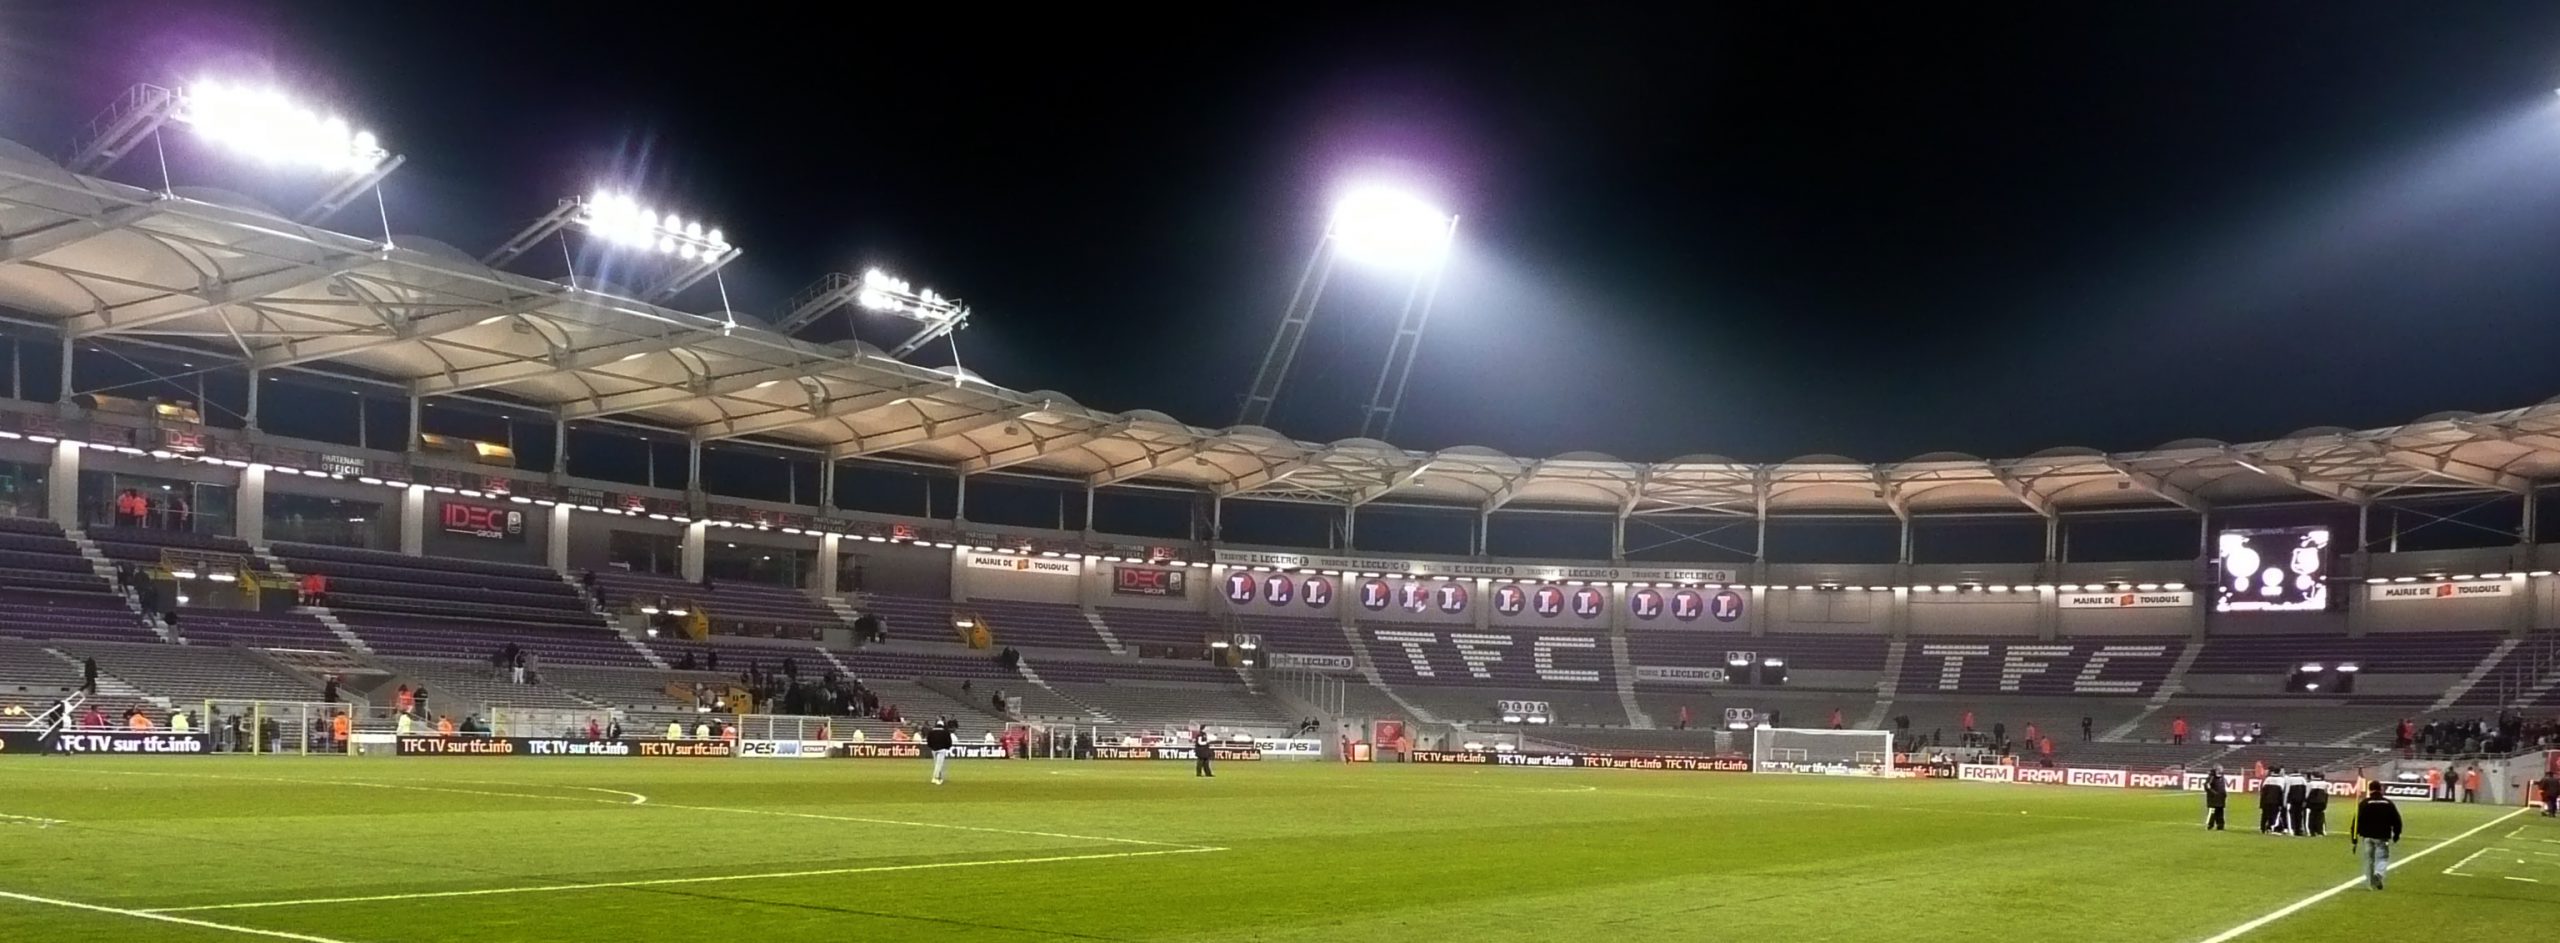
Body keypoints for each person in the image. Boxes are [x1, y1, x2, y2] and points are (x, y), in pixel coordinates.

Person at [2348, 782, 2403, 890]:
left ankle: (2370, 884)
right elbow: (2397, 820)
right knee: (2383, 857)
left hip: (2367, 836)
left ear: (2370, 789)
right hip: (2382, 835)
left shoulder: (2364, 803)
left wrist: (2354, 839)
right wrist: (2396, 834)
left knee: (2369, 860)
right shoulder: (2388, 803)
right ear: (2380, 789)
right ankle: (2378, 874)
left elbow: (2356, 822)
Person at [926, 718, 957, 785]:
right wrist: (947, 747)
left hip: (934, 750)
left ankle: (938, 777)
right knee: (939, 765)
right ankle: (935, 778)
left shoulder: (931, 731)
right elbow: (949, 741)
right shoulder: (945, 732)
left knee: (936, 764)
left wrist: (932, 747)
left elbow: (928, 741)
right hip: (942, 750)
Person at [2283, 768, 2309, 836]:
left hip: (2292, 800)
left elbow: (2287, 791)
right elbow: (2306, 790)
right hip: (2300, 800)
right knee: (2299, 815)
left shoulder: (2290, 779)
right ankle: (2299, 829)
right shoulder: (2303, 779)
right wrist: (2305, 800)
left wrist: (2285, 801)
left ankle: (2292, 830)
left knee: (2292, 815)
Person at [2258, 768, 2284, 834]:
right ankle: (2270, 827)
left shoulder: (2268, 779)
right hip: (2276, 801)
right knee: (2274, 815)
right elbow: (2281, 792)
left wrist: (2261, 802)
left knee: (2264, 815)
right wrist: (2281, 803)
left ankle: (2262, 828)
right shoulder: (2281, 780)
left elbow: (2263, 791)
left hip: (2266, 800)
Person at [2203, 766, 2228, 831]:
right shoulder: (2211, 778)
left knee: (2220, 813)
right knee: (2212, 812)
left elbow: (2223, 787)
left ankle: (2220, 826)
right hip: (2213, 799)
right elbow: (2207, 787)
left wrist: (2224, 794)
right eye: (2219, 769)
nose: (2221, 770)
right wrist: (2214, 793)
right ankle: (2209, 825)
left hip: (2221, 799)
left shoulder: (2222, 778)